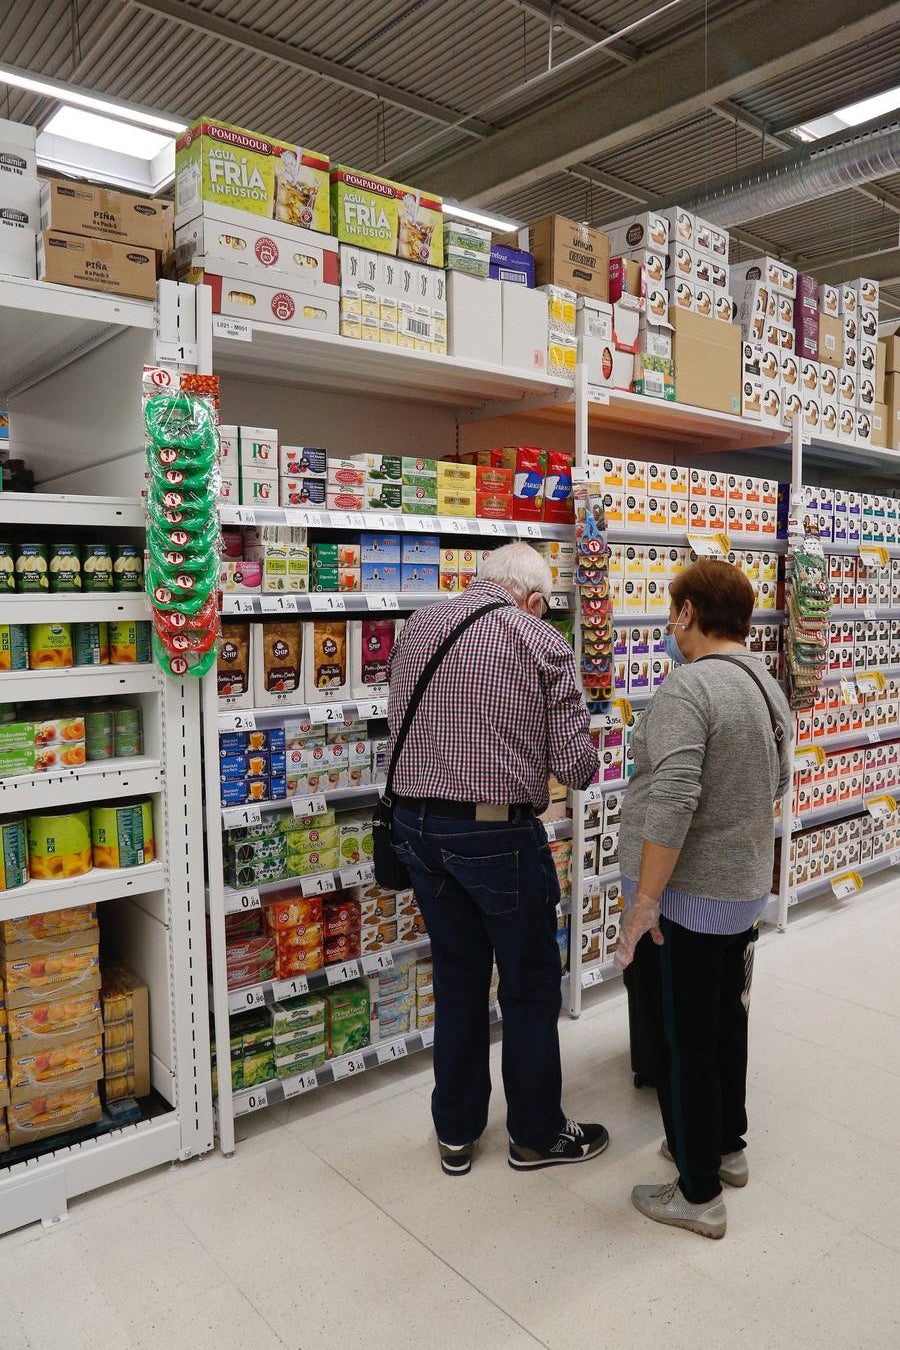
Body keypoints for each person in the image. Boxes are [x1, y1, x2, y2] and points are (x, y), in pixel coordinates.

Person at [387, 542, 608, 1177]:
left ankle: (455, 1132)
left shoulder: (419, 625)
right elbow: (577, 767)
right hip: (494, 836)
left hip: (417, 828)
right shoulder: (541, 642)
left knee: (457, 980)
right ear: (534, 599)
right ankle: (536, 1135)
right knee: (530, 986)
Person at [616, 558, 791, 1239]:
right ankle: (726, 1146)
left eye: (672, 608)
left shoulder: (690, 688)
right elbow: (776, 778)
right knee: (725, 1022)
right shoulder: (763, 681)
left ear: (688, 613)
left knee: (682, 1039)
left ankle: (696, 1192)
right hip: (740, 890)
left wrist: (645, 902)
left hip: (686, 897)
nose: (668, 621)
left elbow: (674, 798)